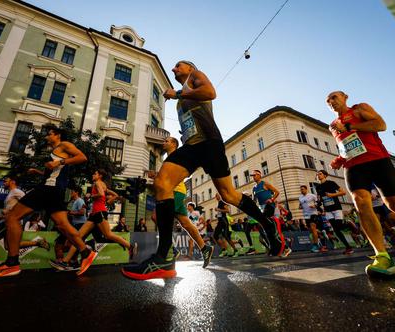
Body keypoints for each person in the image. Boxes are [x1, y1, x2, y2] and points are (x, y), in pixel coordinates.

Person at [121, 61, 284, 280]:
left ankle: (267, 224)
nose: (173, 69)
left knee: (229, 196)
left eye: (178, 65)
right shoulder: (185, 92)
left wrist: (178, 93)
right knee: (162, 184)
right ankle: (165, 257)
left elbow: (210, 92)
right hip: (192, 145)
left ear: (190, 67)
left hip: (209, 142)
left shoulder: (195, 76)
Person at [326, 91, 395, 277]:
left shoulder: (360, 109)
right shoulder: (332, 126)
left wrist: (349, 125)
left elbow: (380, 125)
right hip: (354, 165)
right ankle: (382, 256)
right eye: (328, 101)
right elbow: (347, 145)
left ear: (345, 97)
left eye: (334, 97)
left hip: (378, 160)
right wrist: (340, 159)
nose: (331, 101)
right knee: (360, 202)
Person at [0, 125, 96, 278]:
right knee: (62, 225)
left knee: (12, 217)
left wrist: (60, 163)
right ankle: (86, 252)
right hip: (54, 190)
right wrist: (40, 171)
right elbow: (55, 173)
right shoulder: (54, 152)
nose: (46, 137)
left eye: (49, 134)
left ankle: (12, 262)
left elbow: (82, 157)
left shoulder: (64, 145)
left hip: (48, 189)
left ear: (58, 135)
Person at [50, 169, 137, 273]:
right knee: (77, 237)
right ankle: (65, 262)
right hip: (94, 214)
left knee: (108, 235)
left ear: (99, 176)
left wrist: (91, 196)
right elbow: (115, 195)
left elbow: (100, 194)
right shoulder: (103, 184)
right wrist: (108, 201)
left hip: (99, 212)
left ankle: (130, 246)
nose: (92, 175)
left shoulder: (97, 183)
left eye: (95, 173)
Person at [156, 136, 213, 266]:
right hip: (176, 191)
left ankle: (171, 250)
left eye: (167, 141)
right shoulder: (168, 159)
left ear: (174, 144)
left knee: (157, 216)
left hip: (175, 191)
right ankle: (205, 248)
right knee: (185, 223)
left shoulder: (178, 154)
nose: (163, 142)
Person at [315, 170, 354, 254]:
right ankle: (348, 247)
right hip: (328, 210)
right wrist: (318, 203)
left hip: (336, 208)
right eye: (317, 174)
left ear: (325, 175)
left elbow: (343, 192)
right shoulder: (318, 187)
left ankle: (348, 223)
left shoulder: (331, 183)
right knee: (336, 230)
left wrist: (332, 195)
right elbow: (320, 198)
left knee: (339, 226)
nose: (318, 175)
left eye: (320, 174)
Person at [213, 193, 244, 257]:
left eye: (218, 195)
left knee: (227, 237)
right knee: (215, 236)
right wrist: (218, 215)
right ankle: (224, 250)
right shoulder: (219, 203)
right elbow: (221, 213)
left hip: (224, 221)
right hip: (220, 221)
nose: (217, 196)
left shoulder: (222, 202)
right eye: (216, 196)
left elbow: (227, 210)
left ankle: (236, 250)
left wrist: (219, 210)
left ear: (220, 196)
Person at [298, 185, 324, 252]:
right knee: (311, 230)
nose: (302, 191)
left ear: (306, 189)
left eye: (303, 189)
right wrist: (300, 207)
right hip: (306, 215)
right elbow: (300, 205)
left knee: (313, 228)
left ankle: (315, 246)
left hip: (313, 213)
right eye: (301, 190)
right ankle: (320, 233)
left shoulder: (312, 195)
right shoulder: (300, 197)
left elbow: (319, 203)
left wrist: (314, 205)